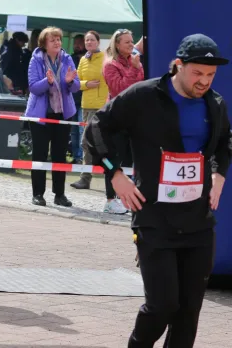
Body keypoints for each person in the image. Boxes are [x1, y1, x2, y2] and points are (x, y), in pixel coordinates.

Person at [85, 33, 232, 348]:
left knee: (188, 313)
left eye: (210, 75)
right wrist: (115, 174)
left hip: (198, 222)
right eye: (197, 73)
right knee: (163, 305)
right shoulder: (144, 96)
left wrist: (219, 175)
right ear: (178, 65)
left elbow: (224, 143)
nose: (204, 81)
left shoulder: (215, 103)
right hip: (154, 218)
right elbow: (97, 126)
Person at [25, 27, 80, 207]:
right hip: (41, 116)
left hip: (63, 114)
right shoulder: (36, 60)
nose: (57, 42)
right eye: (53, 40)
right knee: (39, 155)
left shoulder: (67, 58)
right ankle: (38, 194)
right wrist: (47, 82)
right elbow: (33, 87)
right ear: (44, 44)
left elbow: (75, 87)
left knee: (59, 155)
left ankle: (60, 194)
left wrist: (70, 81)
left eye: (59, 39)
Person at [101, 29, 144, 212]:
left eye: (132, 41)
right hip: (116, 119)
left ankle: (125, 198)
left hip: (133, 118)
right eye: (127, 42)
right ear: (117, 44)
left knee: (129, 160)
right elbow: (120, 89)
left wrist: (136, 67)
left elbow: (140, 87)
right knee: (113, 160)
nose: (131, 45)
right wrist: (134, 68)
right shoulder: (110, 65)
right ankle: (110, 200)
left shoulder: (135, 62)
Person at [70, 32, 109, 189]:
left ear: (98, 42)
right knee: (88, 143)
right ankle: (86, 178)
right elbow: (76, 82)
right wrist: (87, 84)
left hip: (101, 106)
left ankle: (110, 176)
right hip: (85, 105)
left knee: (89, 142)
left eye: (92, 40)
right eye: (87, 40)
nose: (89, 42)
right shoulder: (83, 60)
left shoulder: (106, 58)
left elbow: (107, 79)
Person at [69, 34, 86, 164]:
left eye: (79, 43)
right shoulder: (70, 59)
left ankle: (82, 157)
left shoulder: (88, 60)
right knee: (73, 131)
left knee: (82, 130)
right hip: (72, 100)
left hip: (84, 100)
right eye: (75, 43)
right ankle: (76, 156)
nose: (77, 45)